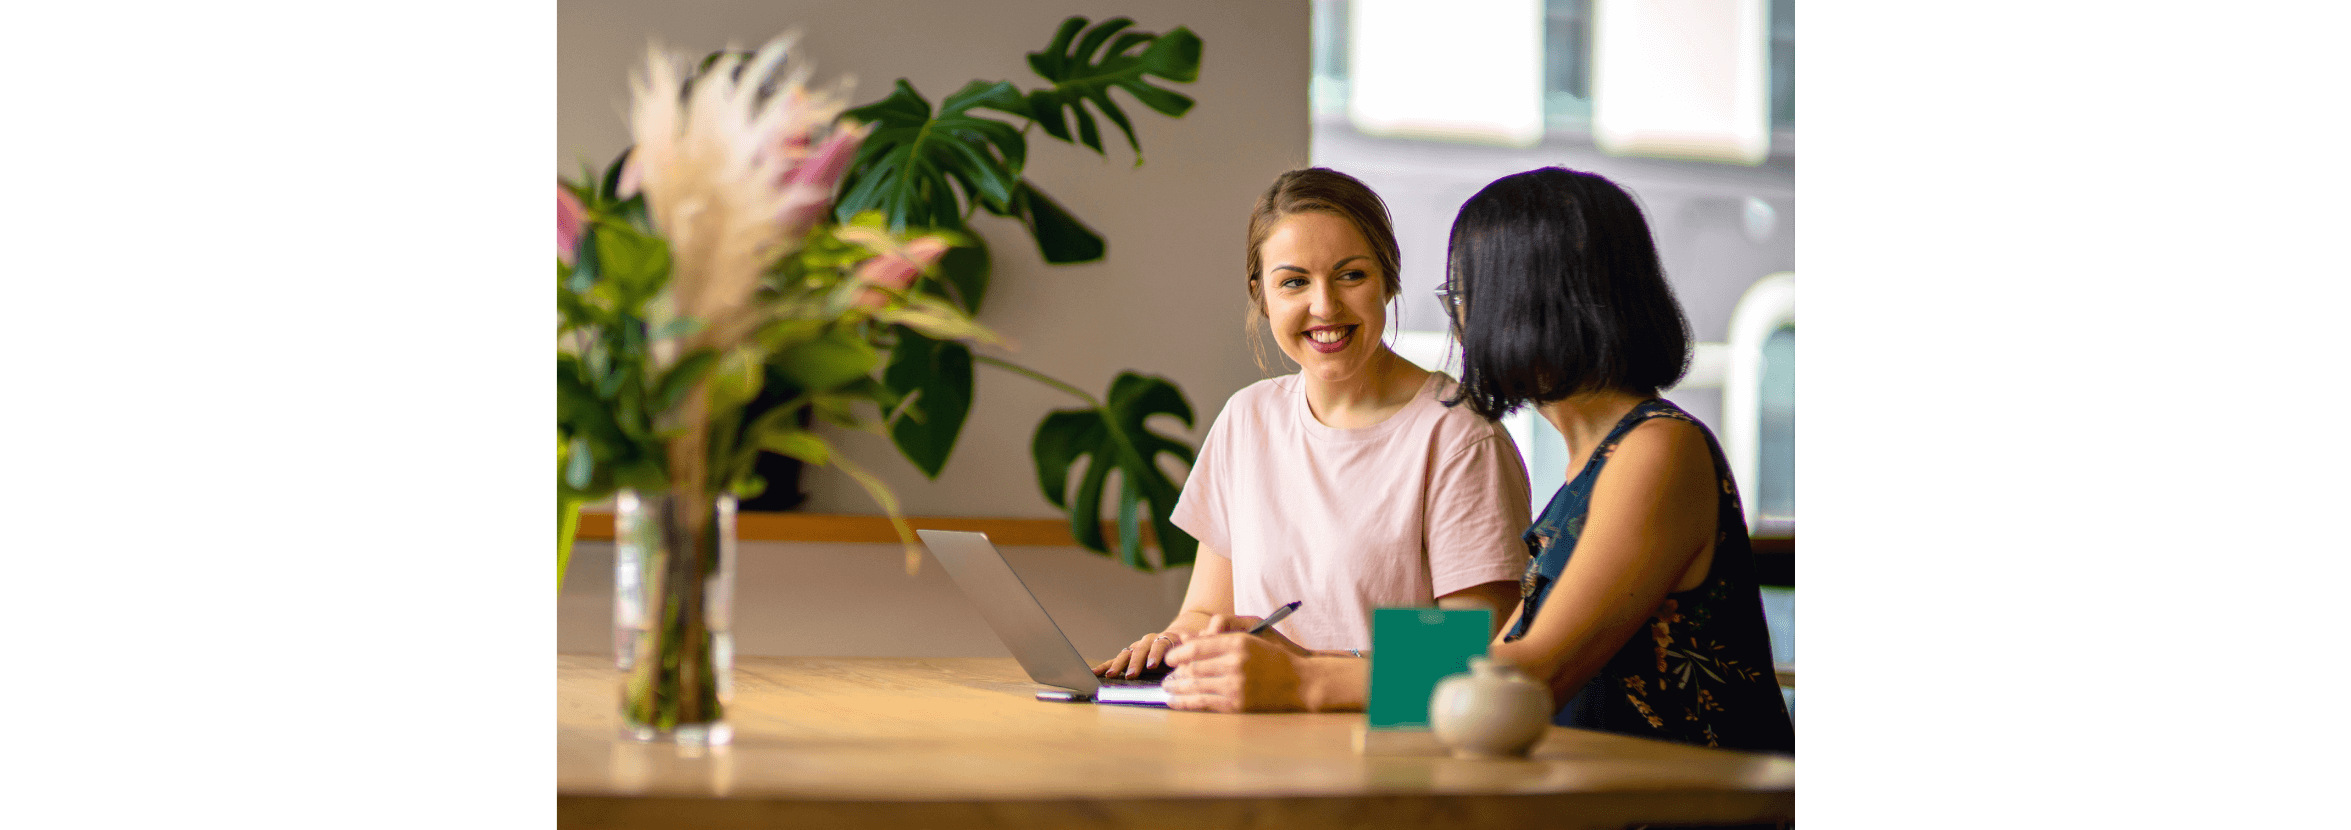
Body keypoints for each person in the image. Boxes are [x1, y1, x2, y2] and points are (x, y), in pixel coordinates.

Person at [1161, 167, 1796, 758]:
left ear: (1537, 301)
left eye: (1466, 292)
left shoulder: (1658, 450)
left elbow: (1522, 671)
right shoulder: (1600, 461)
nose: (1458, 319)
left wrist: (1304, 680)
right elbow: (1494, 655)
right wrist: (1293, 660)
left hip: (1691, 807)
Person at [1092, 168, 1530, 680]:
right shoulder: (1247, 418)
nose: (1324, 306)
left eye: (1351, 275)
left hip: (1393, 749)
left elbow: (1473, 650)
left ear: (1387, 280)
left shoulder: (1457, 433)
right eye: (1294, 282)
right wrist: (1172, 643)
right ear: (1262, 295)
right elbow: (1207, 613)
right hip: (1250, 738)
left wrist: (1302, 669)